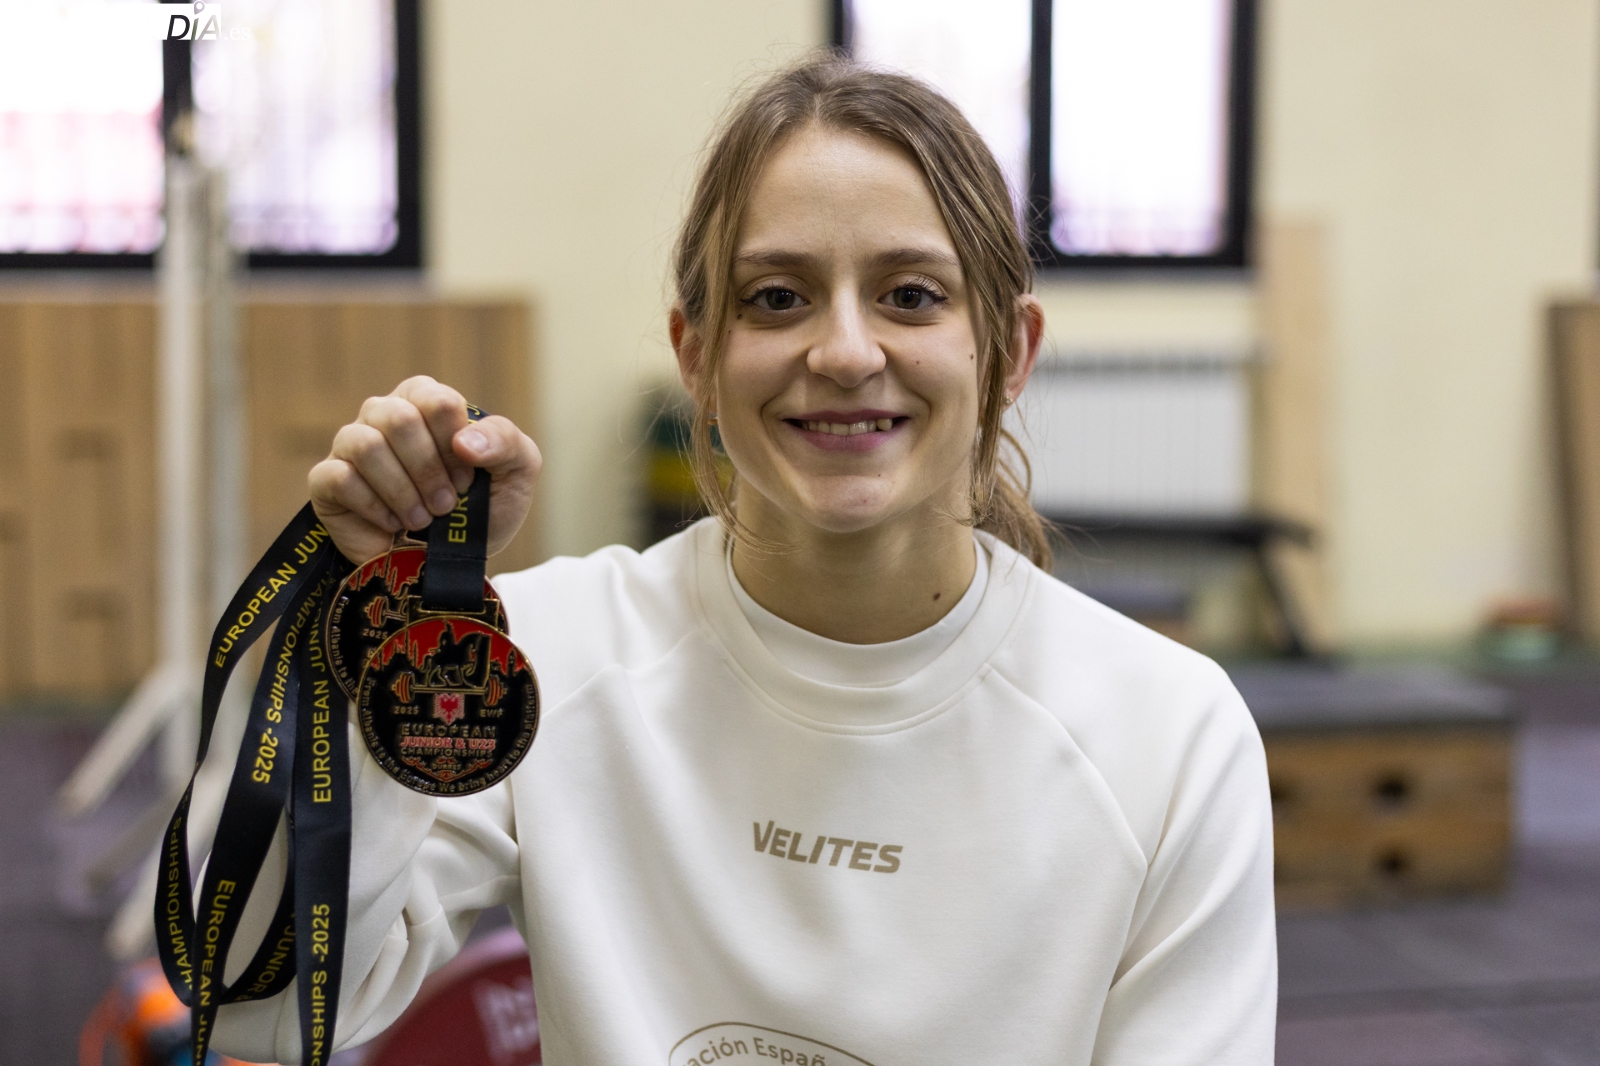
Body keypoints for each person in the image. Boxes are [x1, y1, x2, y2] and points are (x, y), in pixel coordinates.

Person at [212, 54, 1276, 1064]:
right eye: (777, 297)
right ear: (697, 357)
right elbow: (260, 1008)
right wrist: (391, 640)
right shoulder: (545, 657)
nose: (846, 352)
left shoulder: (1168, 734)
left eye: (910, 294)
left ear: (1009, 352)